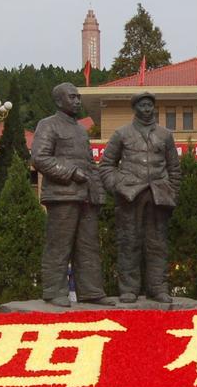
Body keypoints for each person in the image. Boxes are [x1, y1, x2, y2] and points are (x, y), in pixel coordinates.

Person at [31, 82, 113, 308]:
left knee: (88, 245)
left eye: (78, 97)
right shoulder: (47, 125)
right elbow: (40, 158)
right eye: (72, 97)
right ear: (59, 101)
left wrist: (97, 192)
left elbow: (89, 162)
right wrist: (71, 172)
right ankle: (54, 291)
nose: (77, 101)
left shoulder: (79, 129)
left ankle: (91, 291)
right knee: (59, 245)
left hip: (85, 195)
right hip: (62, 195)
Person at [99, 91, 181, 304]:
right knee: (129, 242)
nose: (147, 109)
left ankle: (158, 287)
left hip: (158, 196)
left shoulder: (165, 134)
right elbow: (106, 165)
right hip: (129, 196)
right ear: (134, 108)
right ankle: (129, 288)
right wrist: (117, 186)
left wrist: (172, 192)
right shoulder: (121, 133)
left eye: (150, 105)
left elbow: (174, 168)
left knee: (158, 244)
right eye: (142, 105)